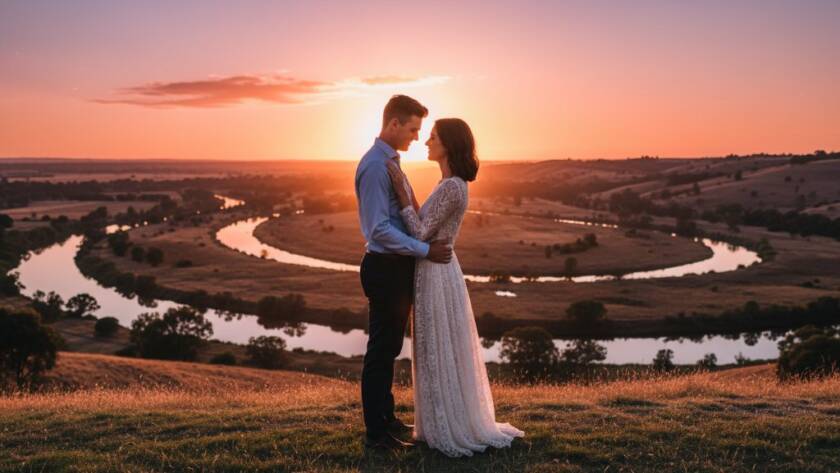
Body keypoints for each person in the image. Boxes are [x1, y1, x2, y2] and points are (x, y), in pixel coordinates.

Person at [386, 117, 525, 457]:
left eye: (432, 137)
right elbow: (427, 224)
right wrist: (412, 200)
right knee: (437, 346)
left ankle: (446, 426)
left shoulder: (452, 186)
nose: (426, 141)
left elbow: (419, 233)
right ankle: (437, 421)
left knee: (436, 346)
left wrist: (403, 194)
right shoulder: (449, 183)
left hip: (436, 272)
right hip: (435, 270)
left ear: (449, 143)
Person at [354, 95, 453, 450]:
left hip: (396, 268)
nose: (416, 137)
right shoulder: (376, 167)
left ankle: (387, 418)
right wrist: (426, 250)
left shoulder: (391, 164)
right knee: (381, 349)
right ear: (393, 124)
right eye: (412, 129)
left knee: (391, 346)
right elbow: (378, 230)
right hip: (384, 268)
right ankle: (376, 434)